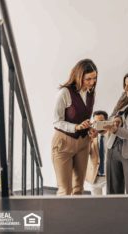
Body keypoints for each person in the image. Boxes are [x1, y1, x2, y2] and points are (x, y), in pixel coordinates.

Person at [52, 59, 98, 196]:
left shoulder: (91, 94)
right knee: (65, 190)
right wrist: (76, 127)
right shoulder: (64, 93)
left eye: (94, 78)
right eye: (88, 79)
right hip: (63, 143)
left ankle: (75, 217)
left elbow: (84, 118)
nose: (92, 82)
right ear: (79, 76)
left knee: (78, 189)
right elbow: (56, 122)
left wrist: (89, 129)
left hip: (83, 143)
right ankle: (62, 217)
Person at [85, 110, 110, 195]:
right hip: (94, 178)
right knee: (96, 204)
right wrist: (90, 139)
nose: (98, 125)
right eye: (95, 122)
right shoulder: (91, 137)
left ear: (107, 121)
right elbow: (85, 153)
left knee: (108, 204)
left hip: (108, 177)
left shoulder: (113, 136)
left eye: (101, 122)